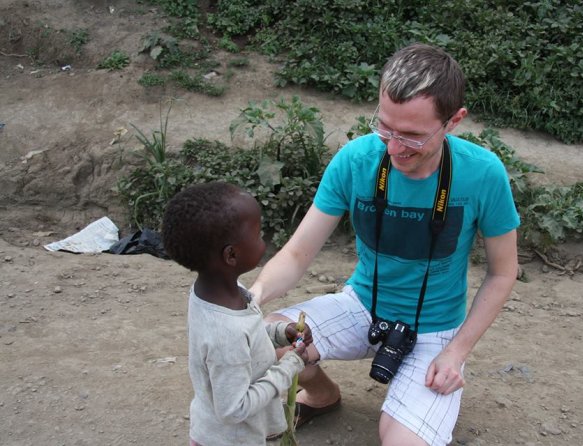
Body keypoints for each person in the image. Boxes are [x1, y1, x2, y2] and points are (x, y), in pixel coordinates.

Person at [250, 43, 520, 446]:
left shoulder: (482, 174)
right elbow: (296, 253)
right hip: (361, 306)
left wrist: (457, 352)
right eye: (385, 128)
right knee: (261, 338)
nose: (393, 148)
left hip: (435, 329)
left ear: (454, 121)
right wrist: (252, 297)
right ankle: (322, 396)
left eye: (411, 136)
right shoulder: (356, 160)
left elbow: (503, 273)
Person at [161, 181, 313, 446]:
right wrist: (288, 366)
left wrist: (280, 333)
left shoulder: (219, 294)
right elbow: (235, 409)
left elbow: (248, 338)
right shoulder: (224, 333)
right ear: (231, 255)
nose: (263, 239)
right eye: (257, 233)